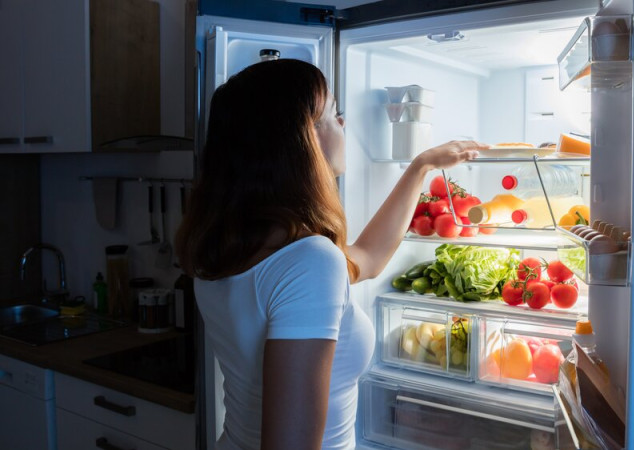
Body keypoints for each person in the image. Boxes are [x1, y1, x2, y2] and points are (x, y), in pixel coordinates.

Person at [175, 59, 487, 450]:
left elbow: (367, 258)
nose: (344, 125)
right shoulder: (308, 260)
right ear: (306, 138)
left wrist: (420, 166)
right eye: (335, 116)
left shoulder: (224, 243)